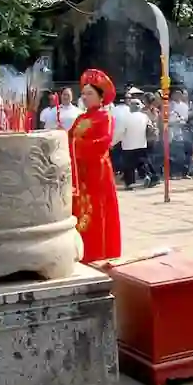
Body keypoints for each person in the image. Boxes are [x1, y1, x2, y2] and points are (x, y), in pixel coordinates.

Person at [69, 69, 122, 263]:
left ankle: (98, 251)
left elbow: (103, 142)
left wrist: (76, 145)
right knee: (80, 209)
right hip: (80, 172)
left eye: (89, 93)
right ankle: (82, 250)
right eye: (83, 93)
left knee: (96, 210)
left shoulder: (105, 117)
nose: (84, 97)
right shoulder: (80, 118)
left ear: (101, 97)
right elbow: (69, 138)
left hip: (97, 172)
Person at [113, 98, 157, 190]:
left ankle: (129, 183)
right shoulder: (144, 117)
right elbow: (150, 127)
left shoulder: (127, 117)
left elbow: (120, 131)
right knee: (141, 163)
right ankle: (146, 176)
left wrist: (113, 142)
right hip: (142, 144)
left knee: (128, 166)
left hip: (128, 145)